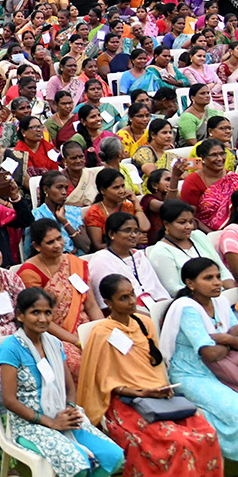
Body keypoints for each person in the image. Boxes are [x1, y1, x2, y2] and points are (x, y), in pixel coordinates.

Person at [80, 274, 223, 477]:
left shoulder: (144, 323)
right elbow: (103, 382)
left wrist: (159, 390)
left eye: (132, 295)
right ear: (107, 302)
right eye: (123, 298)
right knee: (177, 441)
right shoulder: (102, 333)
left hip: (159, 395)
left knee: (206, 434)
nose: (131, 302)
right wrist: (144, 392)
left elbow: (155, 368)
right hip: (126, 402)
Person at [0, 287, 124, 477]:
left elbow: (69, 387)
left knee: (114, 457)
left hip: (62, 415)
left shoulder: (53, 343)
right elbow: (9, 400)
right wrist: (50, 422)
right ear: (20, 316)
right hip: (29, 425)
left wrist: (70, 409)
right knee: (79, 465)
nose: (43, 319)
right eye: (35, 312)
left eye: (48, 313)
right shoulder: (11, 348)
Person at [160, 258, 238, 457]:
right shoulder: (187, 308)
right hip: (191, 373)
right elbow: (209, 353)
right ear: (190, 283)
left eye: (219, 277)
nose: (217, 282)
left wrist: (225, 339)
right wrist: (231, 340)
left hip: (224, 367)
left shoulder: (220, 302)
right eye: (208, 278)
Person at [18, 220, 102, 377]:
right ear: (37, 246)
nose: (57, 245)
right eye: (50, 242)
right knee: (79, 362)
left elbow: (91, 305)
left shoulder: (74, 263)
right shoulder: (30, 273)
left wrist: (102, 328)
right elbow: (39, 319)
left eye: (59, 238)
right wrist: (77, 340)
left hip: (85, 327)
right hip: (54, 335)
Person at [147, 200, 235, 295]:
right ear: (166, 224)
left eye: (190, 222)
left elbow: (222, 270)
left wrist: (232, 293)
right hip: (194, 301)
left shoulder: (198, 236)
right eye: (182, 222)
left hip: (222, 295)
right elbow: (174, 290)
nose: (189, 226)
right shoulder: (160, 252)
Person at [88, 212, 171, 310]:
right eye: (128, 231)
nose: (134, 235)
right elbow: (108, 302)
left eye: (136, 231)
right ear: (111, 234)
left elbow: (157, 289)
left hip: (154, 307)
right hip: (125, 312)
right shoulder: (101, 260)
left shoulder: (139, 255)